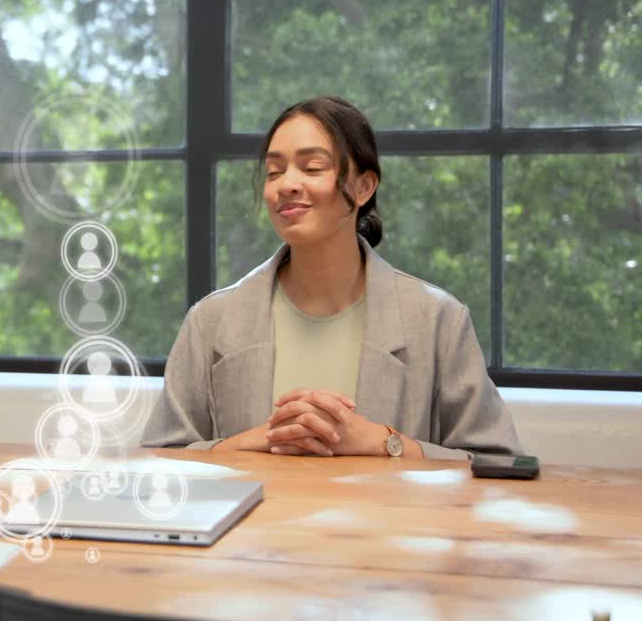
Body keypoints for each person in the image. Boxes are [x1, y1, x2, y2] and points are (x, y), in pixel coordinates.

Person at [141, 96, 522, 460]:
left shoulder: (438, 319)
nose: (286, 184)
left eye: (312, 168)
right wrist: (249, 443)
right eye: (275, 171)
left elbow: (497, 462)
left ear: (363, 187)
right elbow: (159, 461)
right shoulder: (210, 320)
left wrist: (384, 443)